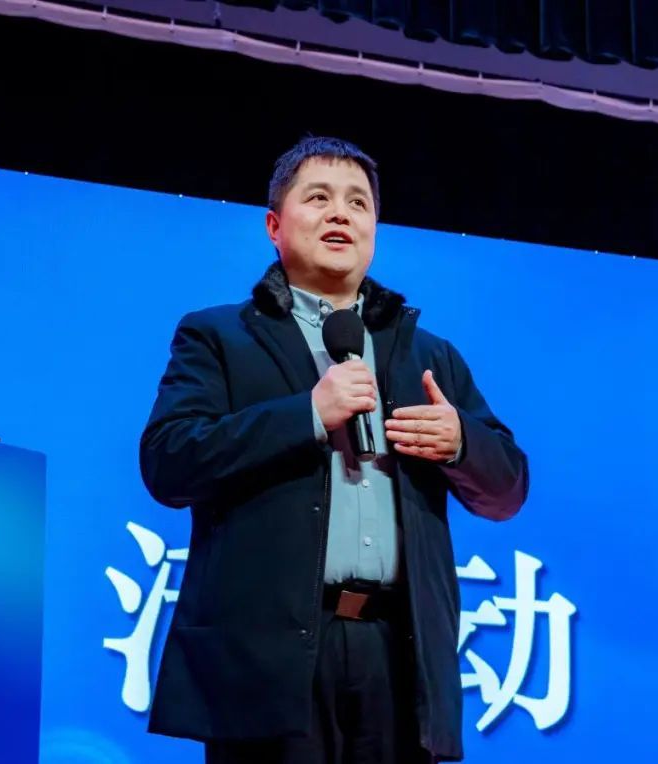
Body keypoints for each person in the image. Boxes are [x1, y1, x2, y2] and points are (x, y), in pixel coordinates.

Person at [140, 136, 528, 764]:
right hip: (269, 659)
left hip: (398, 657)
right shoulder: (218, 336)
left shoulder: (428, 354)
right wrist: (307, 416)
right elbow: (168, 461)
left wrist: (462, 443)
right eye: (318, 198)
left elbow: (508, 489)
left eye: (358, 203)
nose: (340, 214)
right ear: (274, 225)